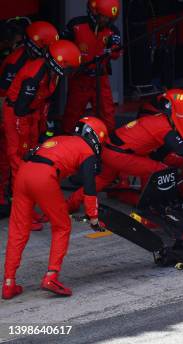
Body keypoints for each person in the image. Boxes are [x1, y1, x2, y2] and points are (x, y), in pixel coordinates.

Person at [2, 117, 107, 300]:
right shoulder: (87, 151)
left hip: (24, 173)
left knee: (18, 230)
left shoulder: (60, 139)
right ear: (95, 138)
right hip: (44, 177)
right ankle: (51, 277)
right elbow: (89, 186)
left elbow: (28, 155)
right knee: (62, 226)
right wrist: (93, 216)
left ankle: (8, 283)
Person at [66, 89, 183, 212]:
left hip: (109, 150)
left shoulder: (158, 120)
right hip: (119, 154)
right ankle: (151, 206)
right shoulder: (165, 129)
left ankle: (70, 204)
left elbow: (160, 153)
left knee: (100, 181)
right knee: (160, 171)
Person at [2, 40, 81, 230]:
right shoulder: (35, 76)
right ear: (59, 64)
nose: (70, 73)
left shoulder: (52, 75)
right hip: (18, 116)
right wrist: (25, 133)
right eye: (69, 69)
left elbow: (43, 103)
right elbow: (20, 109)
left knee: (30, 162)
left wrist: (40, 128)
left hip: (31, 115)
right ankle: (22, 215)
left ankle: (29, 208)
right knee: (19, 163)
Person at [0, 21, 59, 218]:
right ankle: (9, 200)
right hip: (12, 114)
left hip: (27, 114)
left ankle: (17, 199)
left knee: (23, 158)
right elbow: (5, 94)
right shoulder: (16, 62)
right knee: (10, 158)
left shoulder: (42, 65)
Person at [61, 0, 121, 133]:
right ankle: (67, 143)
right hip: (79, 78)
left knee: (107, 115)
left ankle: (108, 145)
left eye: (110, 18)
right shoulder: (76, 25)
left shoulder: (112, 31)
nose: (107, 20)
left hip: (101, 78)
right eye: (104, 16)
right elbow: (62, 47)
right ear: (94, 12)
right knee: (72, 114)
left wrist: (114, 47)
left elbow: (116, 55)